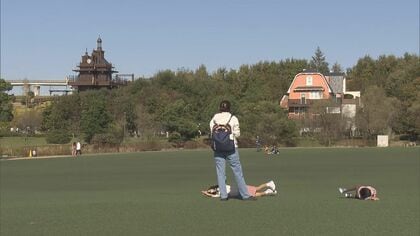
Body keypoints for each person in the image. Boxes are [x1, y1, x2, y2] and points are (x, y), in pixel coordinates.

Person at [210, 100, 254, 201]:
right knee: (237, 172)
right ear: (229, 108)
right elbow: (237, 134)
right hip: (231, 148)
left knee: (220, 172)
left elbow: (211, 132)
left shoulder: (214, 119)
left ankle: (223, 196)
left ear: (220, 108)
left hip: (218, 148)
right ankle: (245, 195)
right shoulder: (233, 118)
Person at [201, 180, 277, 198]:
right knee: (255, 195)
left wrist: (207, 192)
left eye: (210, 190)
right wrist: (207, 193)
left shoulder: (221, 186)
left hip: (240, 188)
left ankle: (269, 183)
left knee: (256, 189)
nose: (211, 191)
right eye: (211, 192)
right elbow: (212, 196)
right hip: (239, 193)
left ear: (213, 188)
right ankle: (268, 192)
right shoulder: (219, 194)